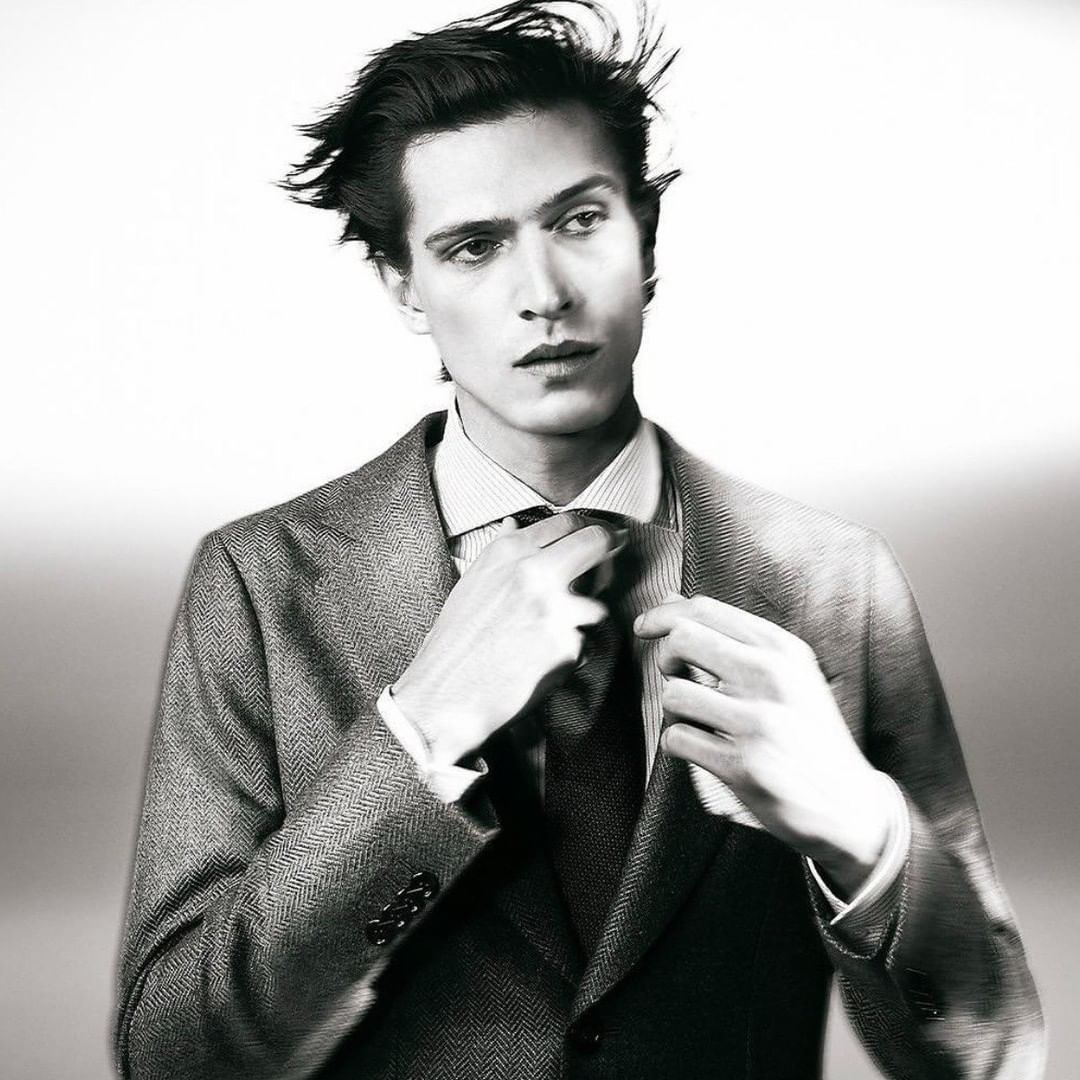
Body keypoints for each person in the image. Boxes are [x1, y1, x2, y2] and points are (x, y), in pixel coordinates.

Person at [114, 2, 1044, 1077]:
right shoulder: (258, 586)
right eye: (473, 247)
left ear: (646, 237)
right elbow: (173, 1056)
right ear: (404, 286)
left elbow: (996, 1049)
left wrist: (862, 832)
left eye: (580, 220)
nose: (544, 294)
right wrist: (419, 735)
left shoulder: (833, 582)